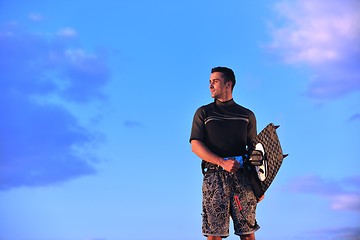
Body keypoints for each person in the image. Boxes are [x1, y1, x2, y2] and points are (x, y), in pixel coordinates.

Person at [189, 66, 264, 240]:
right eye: (209, 82)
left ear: (228, 84)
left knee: (247, 233)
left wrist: (259, 185)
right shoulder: (204, 113)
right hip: (214, 179)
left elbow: (255, 154)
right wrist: (222, 162)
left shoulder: (247, 115)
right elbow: (196, 145)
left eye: (215, 81)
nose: (210, 86)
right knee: (214, 235)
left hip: (242, 180)